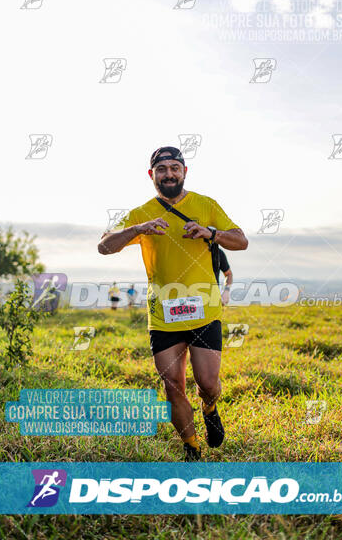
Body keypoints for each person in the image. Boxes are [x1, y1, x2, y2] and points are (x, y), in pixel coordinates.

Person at [98, 146, 248, 460]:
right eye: (162, 169)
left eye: (174, 168)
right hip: (163, 315)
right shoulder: (141, 212)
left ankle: (209, 406)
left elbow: (241, 241)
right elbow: (104, 246)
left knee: (207, 382)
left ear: (184, 172)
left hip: (204, 310)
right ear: (152, 175)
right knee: (173, 386)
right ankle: (191, 447)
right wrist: (137, 229)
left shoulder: (206, 205)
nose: (169, 174)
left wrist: (212, 232)